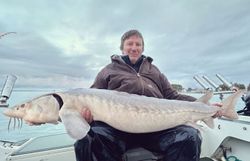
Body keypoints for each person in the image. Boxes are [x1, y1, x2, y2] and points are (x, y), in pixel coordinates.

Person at [74, 29, 202, 161]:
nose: (134, 48)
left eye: (138, 44)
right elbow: (91, 97)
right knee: (88, 139)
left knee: (189, 135)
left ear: (142, 48)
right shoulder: (108, 71)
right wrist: (84, 115)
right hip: (116, 130)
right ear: (122, 48)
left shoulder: (154, 71)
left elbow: (172, 96)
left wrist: (202, 105)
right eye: (130, 44)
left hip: (156, 129)